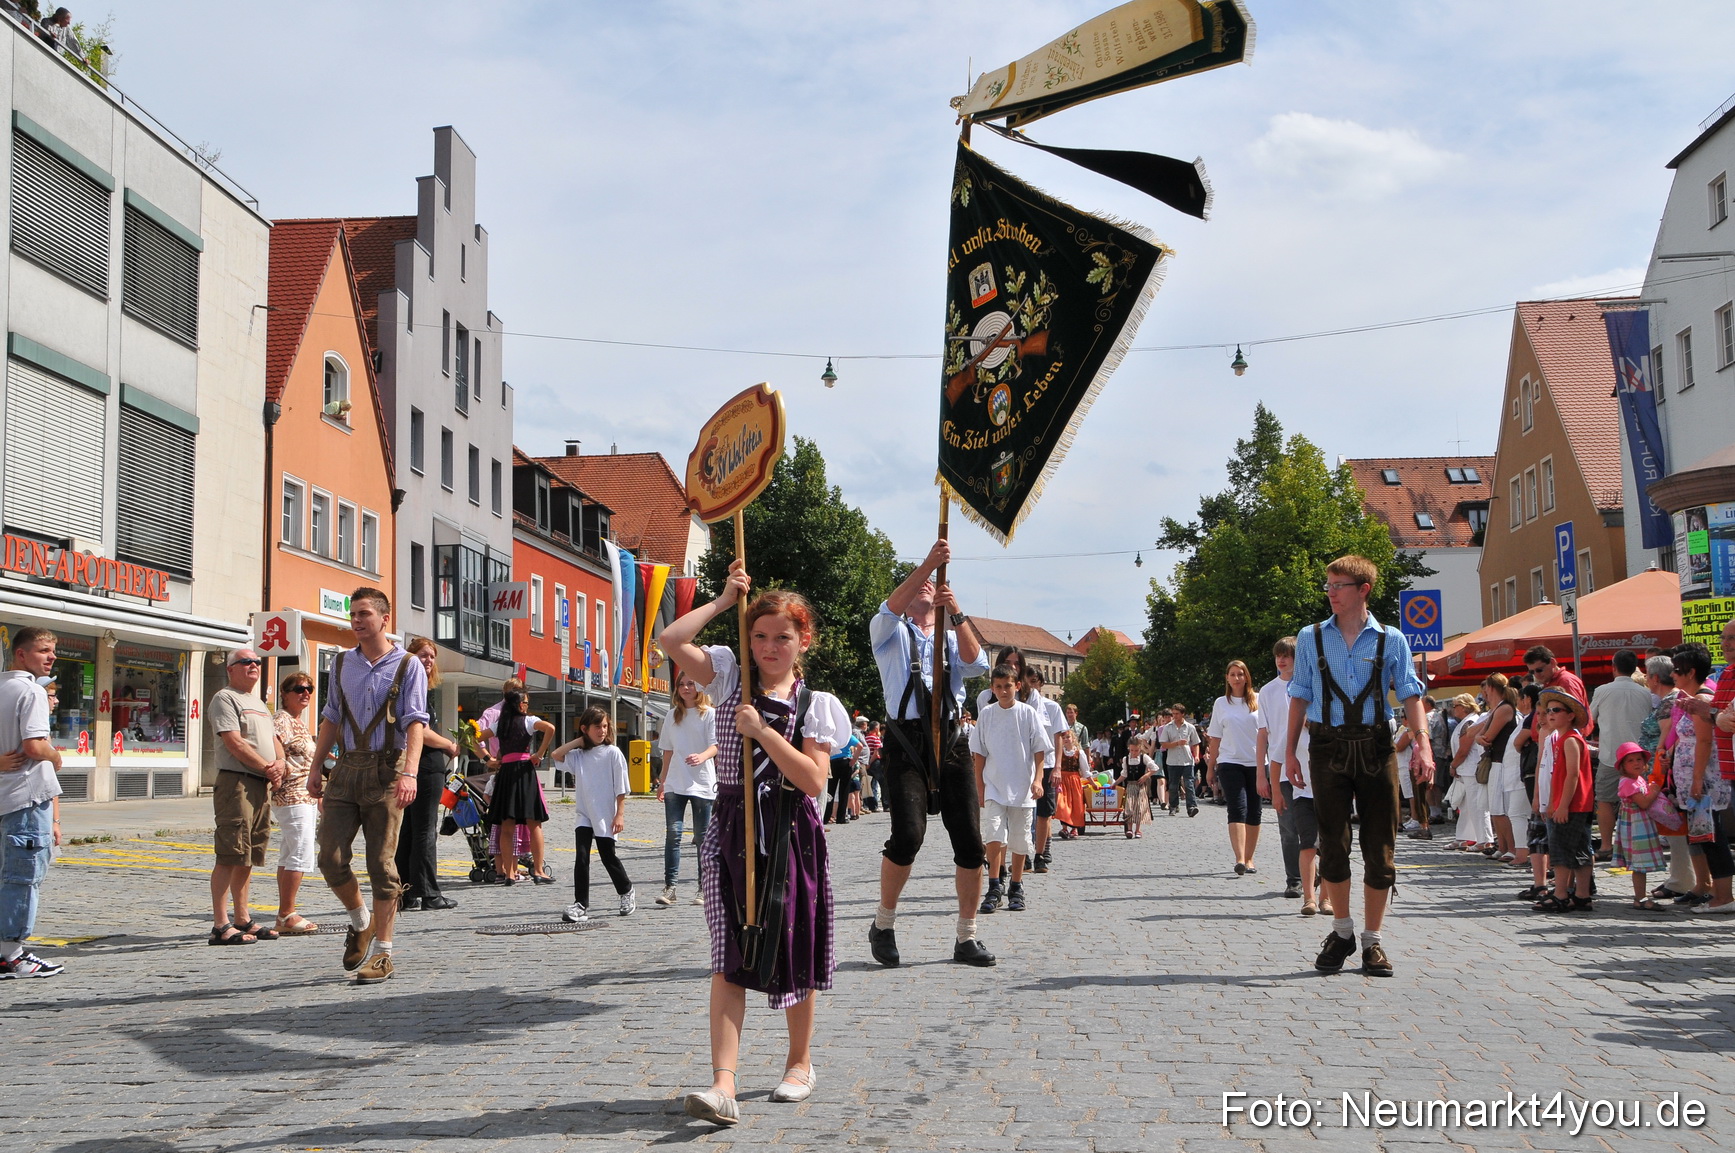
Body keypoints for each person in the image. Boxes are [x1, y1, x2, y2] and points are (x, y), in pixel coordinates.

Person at [660, 559, 850, 1124]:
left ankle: (799, 1062)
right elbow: (671, 638)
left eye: (781, 638)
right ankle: (724, 1084)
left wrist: (763, 731)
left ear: (802, 641)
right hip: (731, 828)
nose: (769, 647)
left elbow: (815, 781)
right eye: (760, 636)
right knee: (730, 954)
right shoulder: (726, 674)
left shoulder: (816, 705)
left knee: (794, 947)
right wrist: (723, 601)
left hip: (791, 831)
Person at [1285, 555, 1433, 979]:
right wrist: (1289, 750)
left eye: (1339, 585)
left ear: (1363, 589)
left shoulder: (1392, 640)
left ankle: (1372, 941)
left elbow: (1409, 695)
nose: (1330, 592)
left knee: (1380, 848)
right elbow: (1298, 695)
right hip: (1326, 746)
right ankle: (1343, 930)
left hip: (1376, 746)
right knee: (1333, 843)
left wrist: (1422, 744)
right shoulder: (1310, 638)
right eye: (1328, 585)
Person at [865, 539, 993, 969]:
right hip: (906, 739)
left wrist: (955, 612)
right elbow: (891, 605)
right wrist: (927, 565)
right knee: (908, 835)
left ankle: (966, 936)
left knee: (971, 843)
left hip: (952, 738)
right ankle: (883, 924)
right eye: (922, 584)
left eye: (935, 584)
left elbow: (978, 664)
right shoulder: (889, 630)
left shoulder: (950, 635)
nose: (928, 588)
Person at [308, 587, 429, 985]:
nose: (356, 621)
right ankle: (362, 921)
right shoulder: (342, 662)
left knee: (381, 864)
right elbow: (330, 718)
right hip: (346, 767)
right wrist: (314, 768)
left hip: (387, 769)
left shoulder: (407, 664)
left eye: (363, 614)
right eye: (353, 615)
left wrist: (409, 772)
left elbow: (415, 722)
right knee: (329, 858)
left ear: (383, 619)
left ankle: (383, 954)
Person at [207, 648, 286, 946]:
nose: (253, 666)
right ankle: (220, 924)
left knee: (248, 854)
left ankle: (242, 918)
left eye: (256, 662)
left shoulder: (259, 703)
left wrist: (279, 763)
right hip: (236, 783)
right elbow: (235, 743)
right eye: (246, 662)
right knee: (230, 851)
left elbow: (274, 740)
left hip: (260, 784)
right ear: (231, 669)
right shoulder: (224, 698)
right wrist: (269, 767)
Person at [0, 627, 64, 977]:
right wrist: (55, 757)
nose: (51, 656)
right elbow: (34, 746)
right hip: (24, 795)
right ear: (21, 654)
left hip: (4, 795)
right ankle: (11, 953)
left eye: (52, 650)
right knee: (23, 877)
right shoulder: (31, 691)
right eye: (43, 650)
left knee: (4, 875)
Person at [972, 665, 1050, 914]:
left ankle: (1016, 885)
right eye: (998, 687)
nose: (1003, 691)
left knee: (1020, 839)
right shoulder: (986, 714)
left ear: (1017, 686)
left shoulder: (1027, 714)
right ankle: (994, 885)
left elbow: (1040, 750)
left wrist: (1038, 780)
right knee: (994, 835)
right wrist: (979, 788)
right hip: (995, 785)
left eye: (1008, 686)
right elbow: (979, 754)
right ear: (992, 689)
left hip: (1022, 787)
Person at [394, 638, 460, 912]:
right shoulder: (411, 687)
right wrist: (448, 745)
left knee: (408, 831)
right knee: (422, 830)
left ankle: (406, 893)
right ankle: (429, 893)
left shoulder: (412, 687)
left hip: (413, 766)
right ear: (410, 657)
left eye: (432, 656)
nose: (429, 660)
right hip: (423, 765)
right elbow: (418, 728)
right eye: (423, 655)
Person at [551, 707, 634, 922]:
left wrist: (620, 814)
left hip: (605, 813)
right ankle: (581, 904)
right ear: (585, 729)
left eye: (605, 726)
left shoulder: (613, 753)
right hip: (584, 814)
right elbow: (556, 755)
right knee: (582, 857)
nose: (602, 731)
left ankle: (626, 891)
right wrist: (579, 742)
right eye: (598, 727)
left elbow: (622, 787)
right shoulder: (578, 755)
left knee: (608, 857)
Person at [1664, 644, 1730, 910]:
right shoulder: (1691, 700)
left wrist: (1696, 780)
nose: (1673, 677)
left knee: (1713, 838)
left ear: (1690, 673)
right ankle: (1711, 889)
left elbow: (1704, 742)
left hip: (1705, 782)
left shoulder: (1701, 701)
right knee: (1702, 837)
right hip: (1695, 781)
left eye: (1677, 671)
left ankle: (1723, 895)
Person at [657, 672, 718, 907]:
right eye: (681, 684)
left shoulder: (709, 714)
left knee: (702, 838)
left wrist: (701, 756)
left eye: (690, 683)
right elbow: (668, 752)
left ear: (699, 687)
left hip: (702, 783)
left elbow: (716, 745)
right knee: (673, 834)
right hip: (676, 782)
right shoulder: (672, 715)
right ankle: (670, 887)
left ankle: (704, 887)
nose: (685, 688)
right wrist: (662, 782)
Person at [1532, 688, 1595, 912]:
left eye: (1556, 710)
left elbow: (1573, 775)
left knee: (1560, 851)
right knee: (1580, 850)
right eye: (1548, 710)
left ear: (1570, 715)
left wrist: (1562, 805)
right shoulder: (1560, 739)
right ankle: (1582, 895)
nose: (1550, 714)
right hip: (1569, 803)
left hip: (1572, 805)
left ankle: (1560, 894)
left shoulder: (1570, 740)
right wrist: (1549, 801)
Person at [481, 692, 554, 885]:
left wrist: (489, 759)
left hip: (506, 773)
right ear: (520, 705)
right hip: (524, 772)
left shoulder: (500, 724)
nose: (527, 706)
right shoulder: (529, 721)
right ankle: (538, 870)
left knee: (507, 824)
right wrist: (539, 753)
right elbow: (550, 728)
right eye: (526, 702)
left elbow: (475, 737)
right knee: (534, 823)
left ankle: (508, 874)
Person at [1589, 650, 1652, 862]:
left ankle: (1607, 845)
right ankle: (1638, 843)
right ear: (1635, 668)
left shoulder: (1603, 690)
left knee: (1605, 800)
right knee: (1640, 801)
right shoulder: (1645, 693)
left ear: (1613, 667)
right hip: (1638, 756)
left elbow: (1590, 719)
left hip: (1611, 755)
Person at [270, 671, 321, 934]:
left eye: (310, 689)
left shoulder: (299, 722)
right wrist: (280, 768)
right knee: (300, 852)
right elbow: (274, 743)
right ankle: (287, 913)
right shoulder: (282, 719)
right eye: (299, 689)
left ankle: (284, 914)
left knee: (290, 852)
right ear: (285, 693)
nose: (306, 693)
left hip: (305, 795)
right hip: (291, 794)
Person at [1206, 660, 1264, 875]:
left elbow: (1268, 732)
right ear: (1227, 678)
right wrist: (1211, 767)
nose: (1237, 678)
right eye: (1233, 674)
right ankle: (1239, 858)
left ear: (1247, 677)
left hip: (1257, 763)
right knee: (1237, 808)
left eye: (1241, 674)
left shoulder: (1259, 700)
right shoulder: (1221, 703)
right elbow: (1215, 738)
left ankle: (1250, 858)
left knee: (1254, 811)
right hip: (1230, 762)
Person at [1257, 638, 1301, 897]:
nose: (1281, 660)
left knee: (1315, 827)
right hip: (1280, 768)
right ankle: (1293, 879)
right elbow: (1263, 733)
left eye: (1287, 655)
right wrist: (1261, 774)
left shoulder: (1311, 686)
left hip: (1308, 765)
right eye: (1278, 656)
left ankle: (1313, 871)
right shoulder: (1268, 691)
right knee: (1287, 827)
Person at [1610, 742, 1673, 911]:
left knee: (1641, 865)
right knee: (1638, 864)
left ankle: (1641, 896)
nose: (1636, 763)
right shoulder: (1627, 783)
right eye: (1630, 761)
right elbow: (1644, 803)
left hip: (1641, 824)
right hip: (1635, 826)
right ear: (1622, 766)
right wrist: (1656, 788)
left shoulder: (1637, 779)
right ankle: (1640, 898)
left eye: (1638, 759)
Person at [1019, 668, 1067, 874]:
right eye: (1027, 681)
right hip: (1023, 764)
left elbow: (1058, 739)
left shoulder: (1052, 707)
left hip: (1046, 765)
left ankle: (1041, 854)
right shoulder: (1018, 707)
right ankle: (1024, 854)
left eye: (1034, 681)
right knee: (1022, 810)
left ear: (1040, 683)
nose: (1030, 685)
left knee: (1044, 812)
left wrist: (1058, 767)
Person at [1474, 674, 1521, 862]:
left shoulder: (1504, 709)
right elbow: (1480, 734)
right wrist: (1480, 737)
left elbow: (1487, 736)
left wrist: (1480, 737)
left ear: (1491, 688)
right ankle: (1502, 846)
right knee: (1495, 808)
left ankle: (1512, 847)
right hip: (1496, 761)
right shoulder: (1497, 709)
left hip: (1503, 762)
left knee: (1501, 809)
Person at [1159, 705, 1200, 816]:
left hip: (1187, 760)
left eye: (1177, 714)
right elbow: (1163, 743)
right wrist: (1176, 743)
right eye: (1173, 714)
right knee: (1173, 785)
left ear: (1183, 714)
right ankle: (1173, 805)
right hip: (1172, 761)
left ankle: (1191, 807)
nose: (1175, 716)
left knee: (1189, 784)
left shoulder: (1190, 727)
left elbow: (1195, 743)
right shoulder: (1168, 727)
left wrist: (1196, 756)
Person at [1117, 735, 1157, 839]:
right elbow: (1124, 775)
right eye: (1132, 750)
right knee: (1129, 807)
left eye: (1136, 750)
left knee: (1139, 808)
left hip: (1140, 786)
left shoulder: (1144, 757)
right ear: (1128, 749)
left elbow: (1155, 768)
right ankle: (1129, 829)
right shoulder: (1126, 759)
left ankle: (1138, 830)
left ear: (1140, 748)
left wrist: (1146, 776)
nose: (1134, 752)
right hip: (1130, 785)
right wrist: (1114, 784)